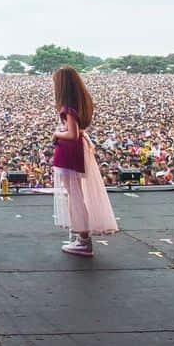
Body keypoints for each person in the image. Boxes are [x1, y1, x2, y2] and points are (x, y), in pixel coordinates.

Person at [51, 66, 118, 257]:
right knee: (76, 194)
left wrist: (56, 134)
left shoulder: (67, 108)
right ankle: (81, 238)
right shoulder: (82, 102)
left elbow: (71, 134)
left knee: (74, 196)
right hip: (78, 150)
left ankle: (83, 239)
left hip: (70, 152)